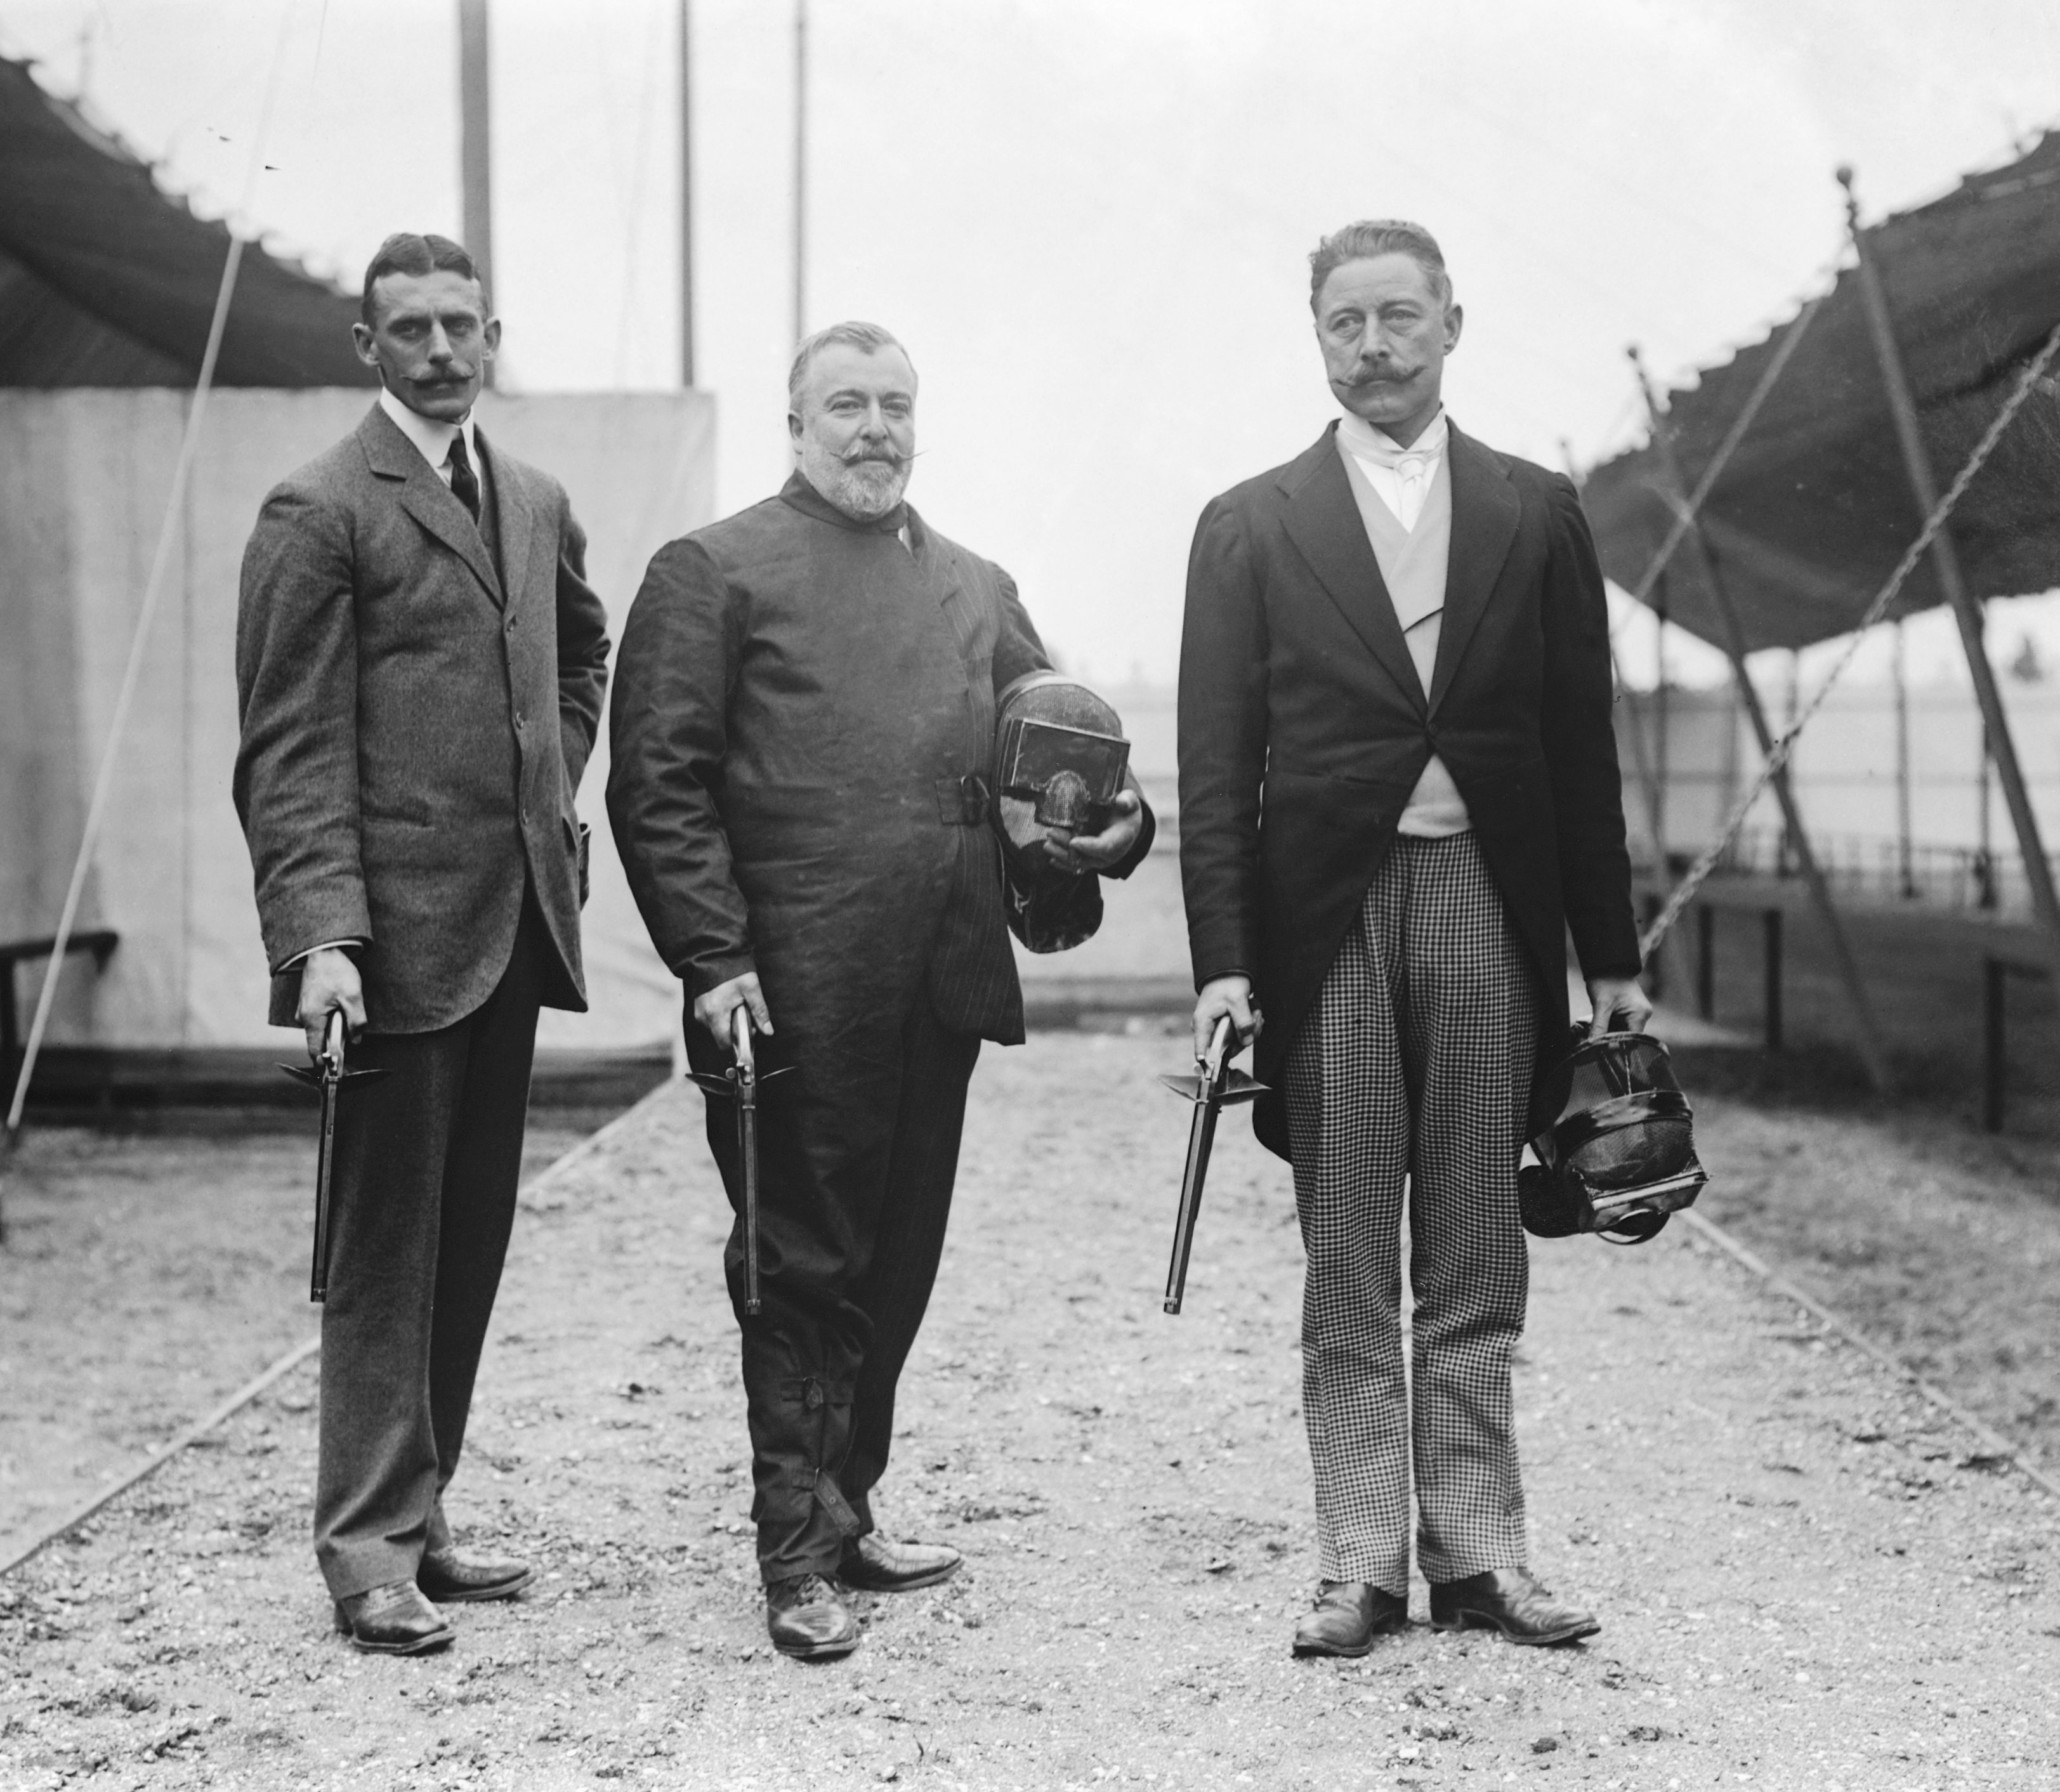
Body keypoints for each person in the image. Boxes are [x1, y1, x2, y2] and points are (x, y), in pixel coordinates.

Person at [607, 322, 1152, 1660]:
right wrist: (714, 958)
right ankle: (795, 1556)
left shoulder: (973, 584)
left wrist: (1115, 828)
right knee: (800, 1265)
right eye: (845, 404)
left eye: (895, 404)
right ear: (795, 426)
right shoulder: (712, 571)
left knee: (897, 1264)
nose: (875, 428)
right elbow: (657, 786)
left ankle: (847, 1507)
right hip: (786, 991)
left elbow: (1066, 747)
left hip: (938, 980)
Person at [1176, 220, 1649, 1660]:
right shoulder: (1250, 523)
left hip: (1486, 905)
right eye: (1346, 322)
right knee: (1345, 1247)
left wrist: (1612, 958)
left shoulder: (1536, 510)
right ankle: (1359, 1561)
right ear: (1317, 337)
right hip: (1323, 925)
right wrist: (1224, 963)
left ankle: (1482, 1551)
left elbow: (1579, 746)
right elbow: (1217, 769)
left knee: (1476, 1236)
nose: (1374, 346)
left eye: (1399, 316)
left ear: (1453, 322)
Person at [233, 232, 608, 1655]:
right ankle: (365, 1551)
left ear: (492, 335)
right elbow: (286, 748)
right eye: (413, 328)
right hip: (390, 945)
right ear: (367, 345)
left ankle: (423, 1514)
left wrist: (544, 784)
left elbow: (581, 650)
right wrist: (322, 936)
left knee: (469, 1244)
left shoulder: (535, 496)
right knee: (385, 1256)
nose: (443, 349)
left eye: (463, 324)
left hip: (514, 926)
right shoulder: (319, 505)